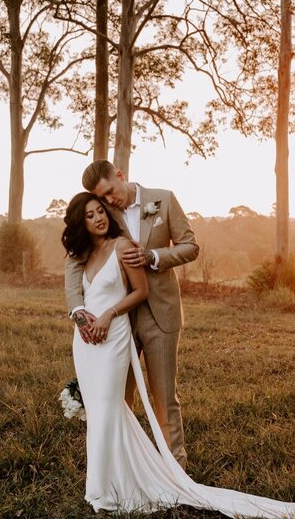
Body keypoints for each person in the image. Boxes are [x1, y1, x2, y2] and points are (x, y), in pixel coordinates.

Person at [62, 192, 295, 517]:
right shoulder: (82, 255)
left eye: (100, 211)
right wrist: (81, 319)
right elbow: (76, 290)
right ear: (81, 223)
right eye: (90, 215)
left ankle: (113, 487)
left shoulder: (122, 247)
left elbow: (141, 291)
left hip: (114, 334)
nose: (99, 217)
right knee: (100, 412)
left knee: (109, 407)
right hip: (86, 343)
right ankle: (105, 482)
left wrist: (107, 316)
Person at [65, 159, 197, 469]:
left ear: (121, 175)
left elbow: (190, 246)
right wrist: (77, 307)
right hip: (119, 320)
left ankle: (174, 467)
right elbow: (74, 259)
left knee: (164, 396)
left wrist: (153, 255)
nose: (109, 201)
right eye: (103, 197)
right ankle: (123, 465)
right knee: (118, 397)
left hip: (160, 313)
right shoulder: (101, 212)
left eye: (111, 192)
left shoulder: (163, 199)